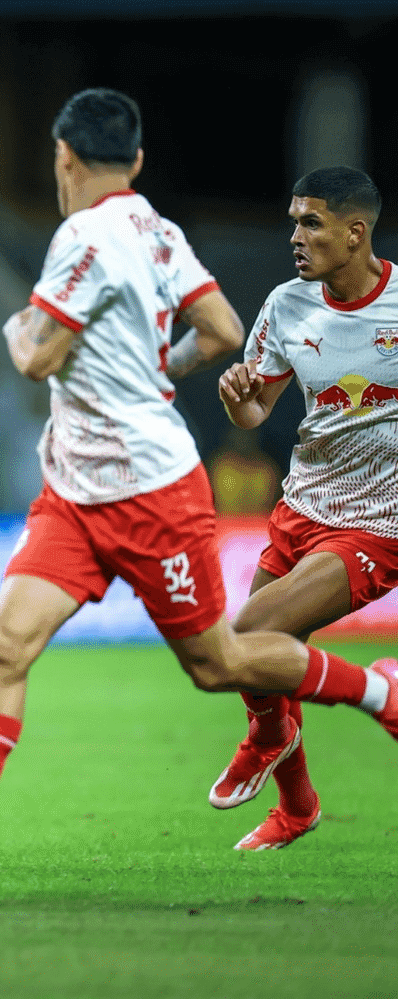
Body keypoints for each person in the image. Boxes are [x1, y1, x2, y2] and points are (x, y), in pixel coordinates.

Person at [0, 90, 398, 885]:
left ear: (63, 158)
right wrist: (175, 369)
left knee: (225, 659)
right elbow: (222, 332)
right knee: (4, 642)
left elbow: (35, 356)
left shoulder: (81, 237)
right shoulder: (161, 231)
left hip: (156, 492)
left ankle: (373, 690)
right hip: (81, 490)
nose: (295, 237)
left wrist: (17, 328)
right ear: (138, 162)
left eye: (311, 223)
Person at [212, 166, 398, 850]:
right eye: (293, 220)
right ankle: (297, 808)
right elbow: (259, 404)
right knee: (260, 660)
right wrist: (240, 401)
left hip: (378, 525)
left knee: (248, 633)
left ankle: (273, 733)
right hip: (300, 509)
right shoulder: (288, 305)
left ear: (356, 233)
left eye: (311, 223)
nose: (295, 235)